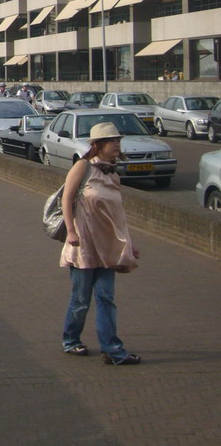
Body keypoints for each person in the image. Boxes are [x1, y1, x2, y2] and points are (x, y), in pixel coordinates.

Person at [60, 121, 141, 365]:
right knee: (81, 299)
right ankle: (71, 340)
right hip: (83, 242)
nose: (117, 144)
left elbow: (118, 216)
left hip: (107, 246)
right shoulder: (82, 167)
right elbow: (67, 198)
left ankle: (112, 350)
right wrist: (71, 231)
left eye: (118, 140)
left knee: (106, 297)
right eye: (111, 141)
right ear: (98, 145)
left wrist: (129, 242)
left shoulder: (113, 173)